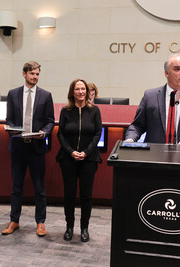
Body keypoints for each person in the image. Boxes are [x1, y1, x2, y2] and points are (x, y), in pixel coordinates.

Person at [2, 61, 55, 237]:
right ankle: (14, 220)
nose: (35, 77)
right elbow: (9, 119)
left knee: (39, 187)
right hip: (18, 147)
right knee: (16, 186)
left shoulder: (46, 95)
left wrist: (45, 132)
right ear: (24, 74)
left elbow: (50, 121)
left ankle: (40, 223)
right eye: (32, 74)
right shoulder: (13, 94)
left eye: (37, 74)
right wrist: (11, 130)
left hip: (37, 147)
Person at [125, 54, 180, 145]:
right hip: (154, 156)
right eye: (177, 69)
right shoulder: (150, 96)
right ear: (167, 73)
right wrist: (130, 140)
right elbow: (137, 126)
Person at [56, 79, 102, 242]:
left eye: (83, 89)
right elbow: (60, 134)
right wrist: (71, 152)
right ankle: (69, 227)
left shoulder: (95, 110)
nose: (81, 92)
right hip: (68, 158)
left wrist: (86, 152)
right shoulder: (65, 111)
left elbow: (97, 134)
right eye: (78, 89)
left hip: (89, 159)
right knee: (69, 195)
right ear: (72, 92)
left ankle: (84, 228)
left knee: (86, 196)